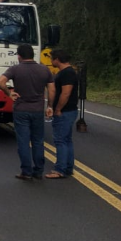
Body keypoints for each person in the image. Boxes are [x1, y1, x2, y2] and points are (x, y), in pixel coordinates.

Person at [0, 44, 55, 181]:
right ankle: (39, 171)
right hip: (37, 110)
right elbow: (52, 90)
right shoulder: (44, 70)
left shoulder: (15, 69)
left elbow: (0, 81)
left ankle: (26, 171)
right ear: (33, 55)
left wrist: (9, 94)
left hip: (21, 109)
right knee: (38, 141)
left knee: (23, 141)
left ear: (19, 56)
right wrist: (50, 106)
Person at [45, 50, 78, 179]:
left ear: (57, 59)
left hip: (65, 111)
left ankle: (60, 169)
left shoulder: (67, 73)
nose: (51, 61)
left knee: (61, 140)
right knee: (66, 140)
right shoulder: (67, 72)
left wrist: (58, 109)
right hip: (68, 110)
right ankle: (68, 168)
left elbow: (66, 93)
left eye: (52, 59)